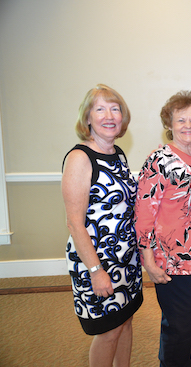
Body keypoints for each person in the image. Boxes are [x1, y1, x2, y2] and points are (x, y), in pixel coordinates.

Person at [61, 84, 143, 367]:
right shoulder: (79, 158)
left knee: (126, 321)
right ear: (87, 118)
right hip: (97, 263)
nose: (109, 115)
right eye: (100, 109)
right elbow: (74, 223)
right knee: (108, 332)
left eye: (115, 108)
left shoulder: (118, 154)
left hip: (126, 261)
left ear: (123, 117)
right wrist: (96, 271)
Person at [134, 91, 191, 367]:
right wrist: (148, 260)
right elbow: (144, 214)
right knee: (179, 323)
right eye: (181, 120)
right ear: (169, 123)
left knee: (183, 318)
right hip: (172, 257)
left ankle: (179, 361)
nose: (188, 125)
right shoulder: (160, 160)